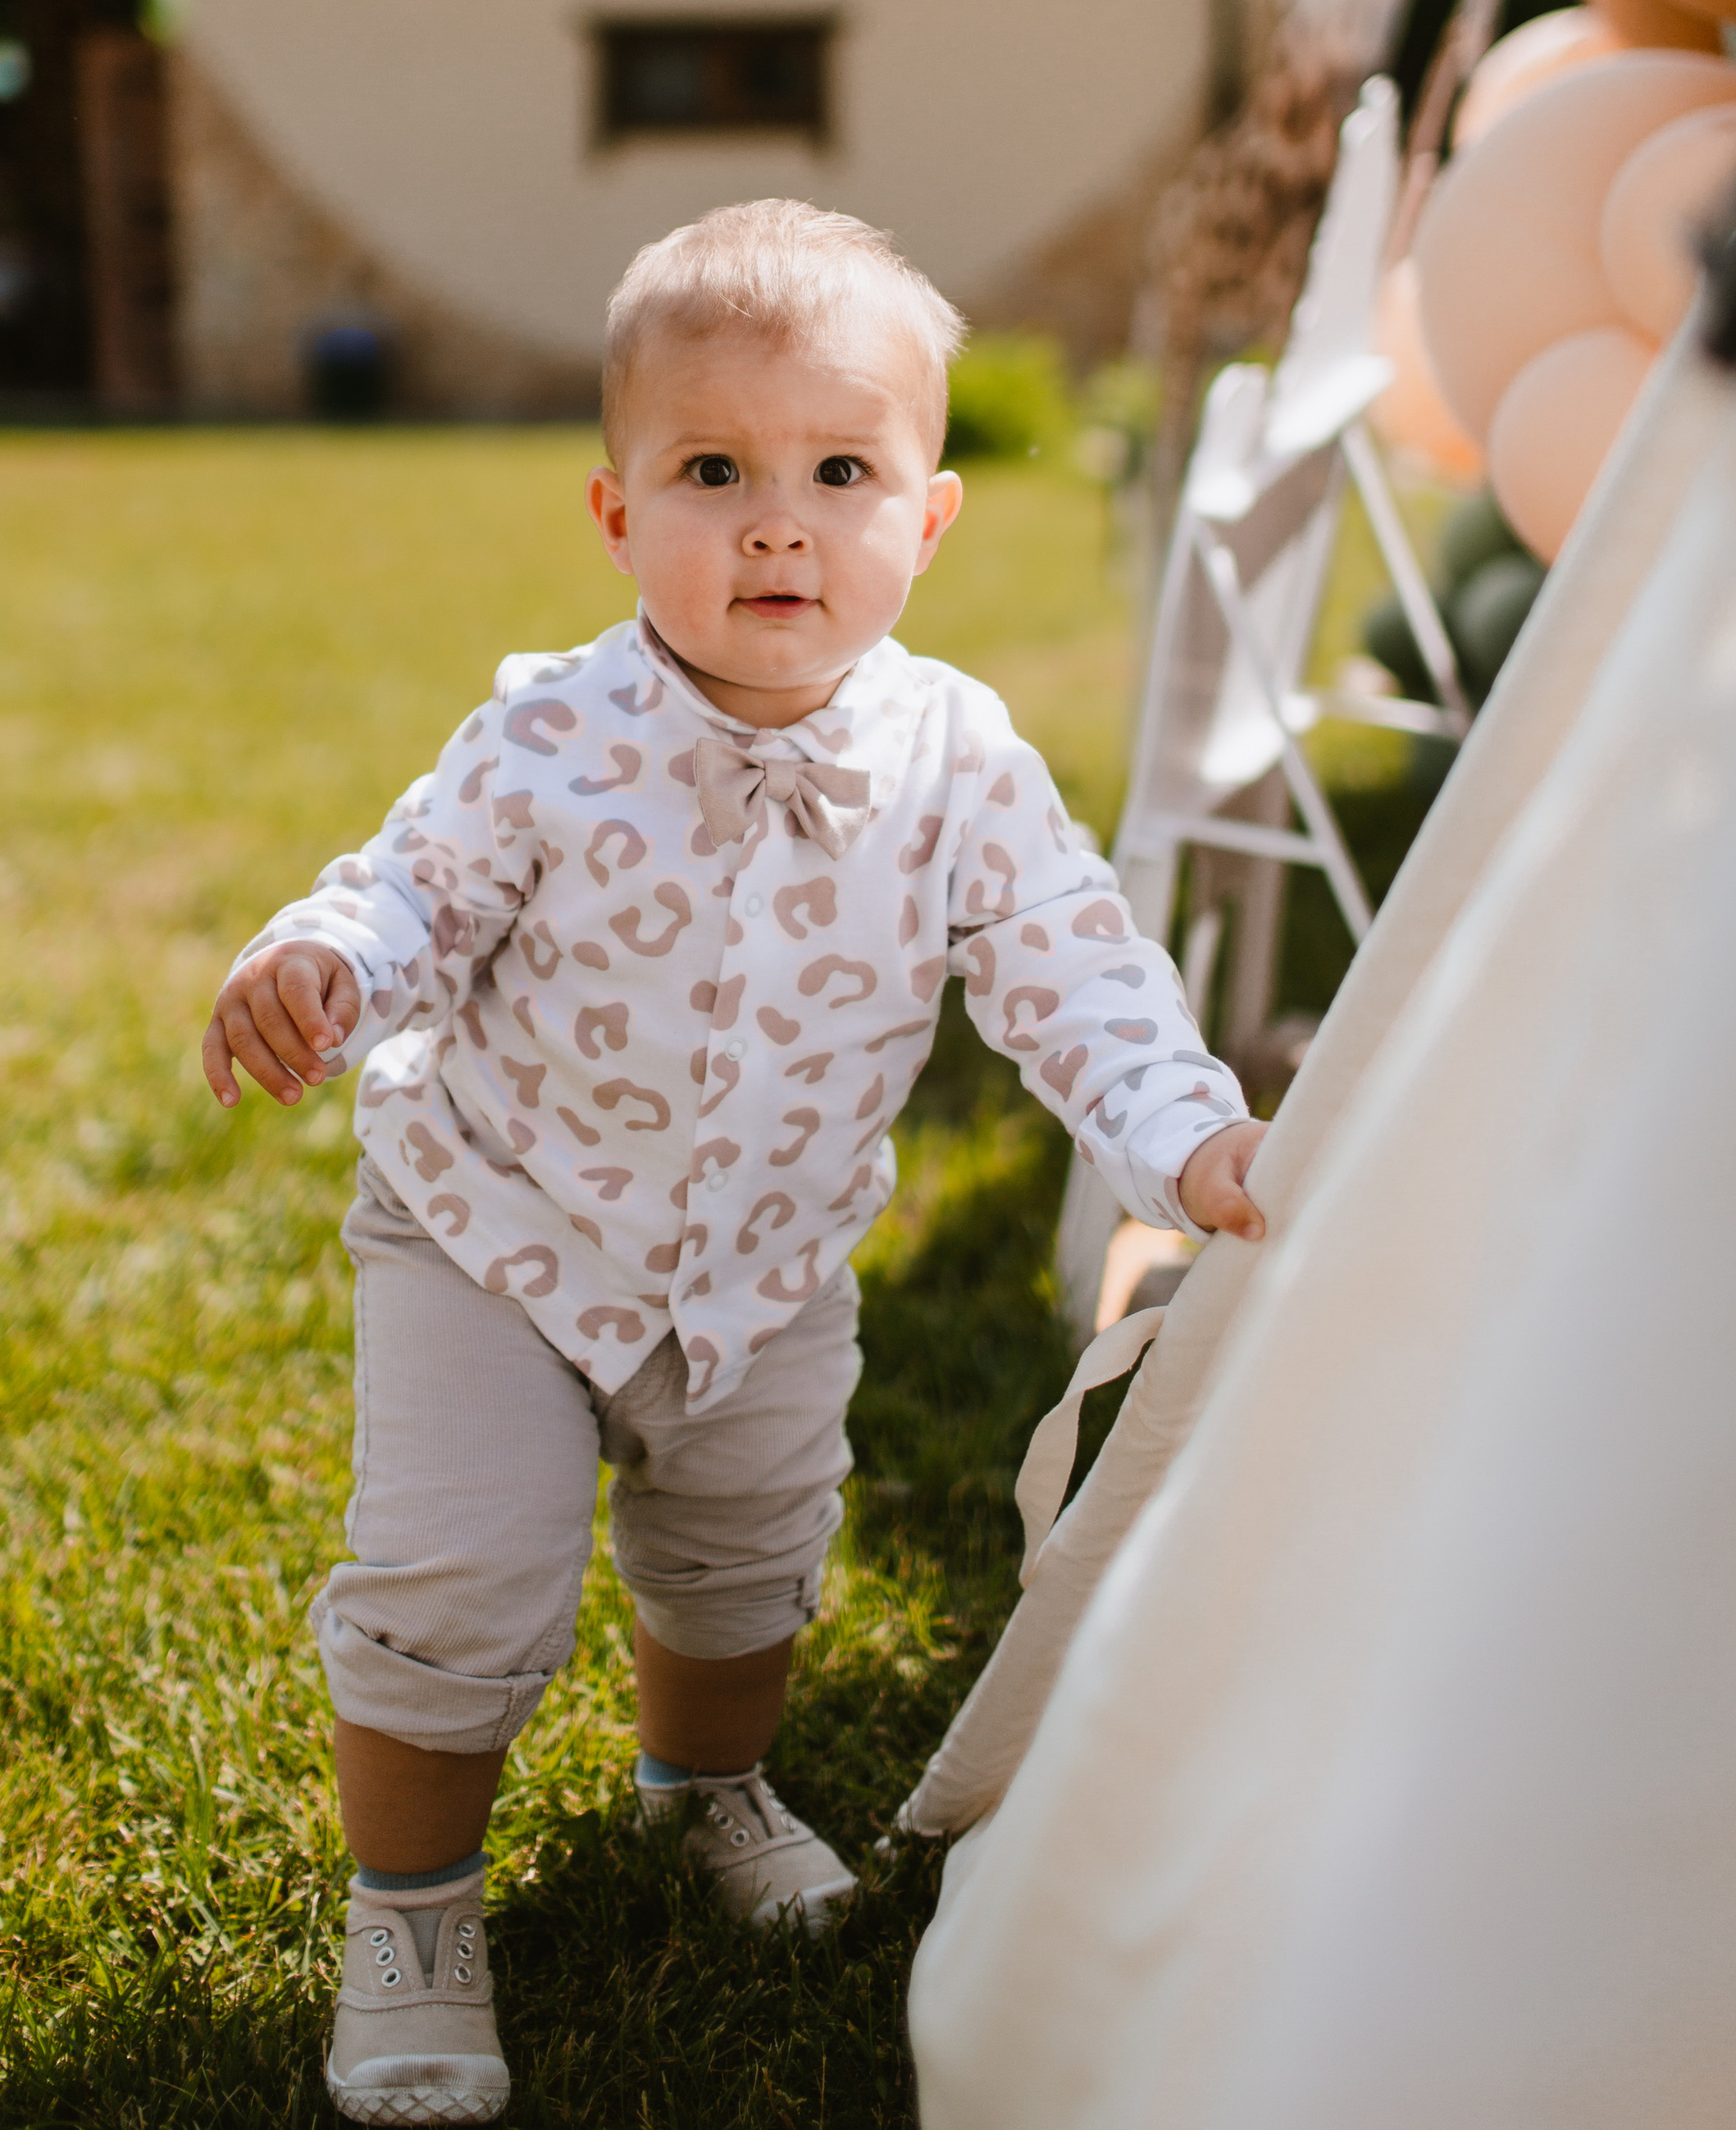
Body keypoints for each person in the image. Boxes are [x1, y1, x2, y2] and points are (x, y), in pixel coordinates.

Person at [203, 198, 1267, 2126]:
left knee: (745, 1563)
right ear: (616, 516)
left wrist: (1187, 1142)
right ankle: (414, 1904)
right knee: (457, 1575)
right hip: (496, 1236)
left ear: (924, 517)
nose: (777, 520)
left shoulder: (959, 759)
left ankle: (706, 1790)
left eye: (839, 470)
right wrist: (326, 966)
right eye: (712, 470)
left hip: (764, 1265)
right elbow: (413, 895)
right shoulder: (550, 732)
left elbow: (1075, 975)